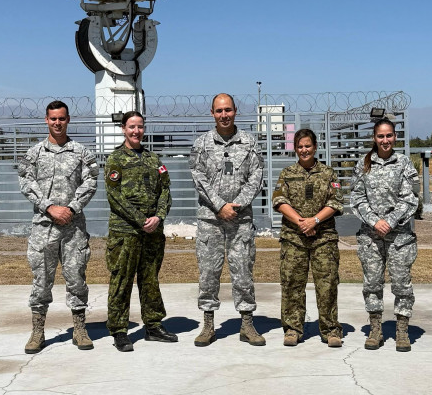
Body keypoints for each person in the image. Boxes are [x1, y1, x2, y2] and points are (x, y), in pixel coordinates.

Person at [17, 100, 98, 354]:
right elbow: (27, 183)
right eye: (53, 119)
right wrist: (50, 207)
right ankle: (38, 331)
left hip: (73, 228)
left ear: (68, 120)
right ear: (46, 120)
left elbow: (91, 182)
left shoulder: (81, 152)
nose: (57, 123)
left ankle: (79, 329)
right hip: (44, 226)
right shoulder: (35, 153)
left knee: (76, 278)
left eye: (62, 118)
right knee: (41, 280)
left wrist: (71, 208)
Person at [189, 93, 265, 346]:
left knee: (243, 271)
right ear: (212, 113)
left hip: (240, 220)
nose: (224, 115)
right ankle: (208, 324)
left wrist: (237, 205)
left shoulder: (249, 143)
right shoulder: (201, 144)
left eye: (228, 110)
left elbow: (256, 177)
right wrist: (220, 206)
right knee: (209, 273)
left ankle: (246, 323)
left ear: (235, 111)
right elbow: (198, 177)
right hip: (210, 219)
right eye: (219, 111)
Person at [104, 111, 177, 352]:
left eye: (140, 127)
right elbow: (114, 196)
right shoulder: (115, 159)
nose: (136, 131)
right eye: (131, 127)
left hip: (152, 232)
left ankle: (153, 325)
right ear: (123, 129)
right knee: (121, 280)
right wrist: (140, 219)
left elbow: (165, 190)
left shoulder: (154, 160)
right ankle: (119, 330)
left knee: (149, 279)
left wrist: (158, 217)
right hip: (125, 232)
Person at [351, 117, 420, 352]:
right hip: (371, 236)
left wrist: (389, 222)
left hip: (399, 236)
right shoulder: (364, 163)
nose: (385, 140)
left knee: (402, 284)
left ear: (395, 137)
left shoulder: (403, 163)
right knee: (372, 283)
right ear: (374, 138)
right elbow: (357, 198)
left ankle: (402, 330)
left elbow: (410, 198)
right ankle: (376, 329)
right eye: (380, 136)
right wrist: (374, 221)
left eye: (389, 135)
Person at [272, 128, 344, 347]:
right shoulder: (287, 173)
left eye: (308, 146)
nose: (304, 150)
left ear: (315, 147)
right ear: (295, 148)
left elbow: (336, 202)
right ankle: (293, 329)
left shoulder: (329, 173)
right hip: (294, 238)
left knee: (327, 285)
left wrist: (315, 221)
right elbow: (279, 200)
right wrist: (302, 223)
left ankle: (330, 329)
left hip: (324, 238)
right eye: (300, 146)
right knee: (292, 284)